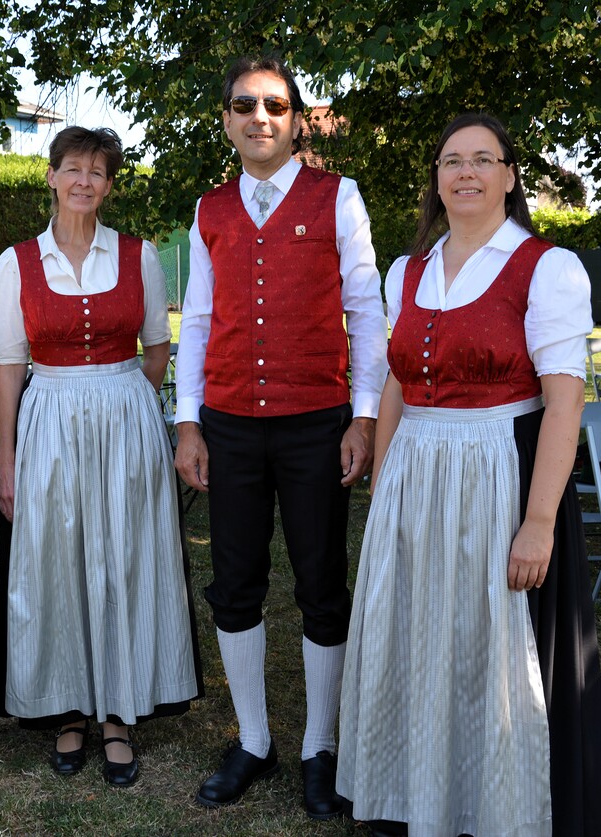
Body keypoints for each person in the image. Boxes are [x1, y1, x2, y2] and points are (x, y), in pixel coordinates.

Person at [336, 113, 601, 837]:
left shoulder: (546, 267)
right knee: (419, 633)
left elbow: (565, 401)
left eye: (484, 159)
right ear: (437, 178)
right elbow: (397, 381)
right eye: (452, 160)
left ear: (510, 177)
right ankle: (417, 796)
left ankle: (498, 806)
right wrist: (385, 480)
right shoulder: (409, 270)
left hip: (499, 471)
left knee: (491, 647)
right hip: (417, 471)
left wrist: (539, 522)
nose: (466, 172)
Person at [175, 56, 389, 819]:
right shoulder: (210, 208)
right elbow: (197, 320)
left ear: (296, 119)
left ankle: (319, 746)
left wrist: (364, 414)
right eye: (244, 105)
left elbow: (366, 309)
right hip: (229, 424)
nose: (258, 117)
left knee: (322, 583)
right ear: (227, 120)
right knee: (235, 581)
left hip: (316, 422)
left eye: (274, 104)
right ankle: (256, 739)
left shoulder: (339, 197)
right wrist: (188, 419)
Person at [0, 126, 201, 788]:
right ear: (51, 176)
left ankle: (118, 711)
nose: (85, 181)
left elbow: (157, 347)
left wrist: (126, 401)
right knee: (58, 558)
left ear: (109, 185)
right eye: (73, 168)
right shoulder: (17, 262)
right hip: (49, 415)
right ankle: (68, 707)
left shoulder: (138, 256)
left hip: (125, 415)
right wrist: (6, 458)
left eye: (98, 171)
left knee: (125, 557)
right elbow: (7, 367)